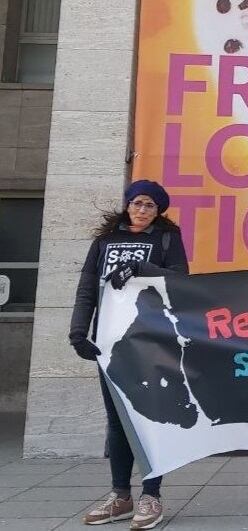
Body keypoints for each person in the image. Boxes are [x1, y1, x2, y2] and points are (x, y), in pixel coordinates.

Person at [69, 180, 189, 529]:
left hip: (150, 339)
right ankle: (120, 495)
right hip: (109, 341)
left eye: (149, 205)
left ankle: (151, 495)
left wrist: (143, 269)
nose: (141, 210)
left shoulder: (165, 239)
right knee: (117, 419)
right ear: (127, 204)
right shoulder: (104, 242)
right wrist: (78, 331)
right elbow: (86, 289)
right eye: (136, 203)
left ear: (159, 210)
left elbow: (181, 280)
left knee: (148, 418)